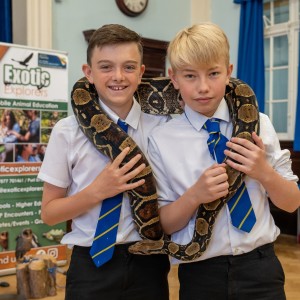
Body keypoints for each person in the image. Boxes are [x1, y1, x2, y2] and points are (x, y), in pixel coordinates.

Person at [147, 23, 300, 300]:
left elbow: (292, 202)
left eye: (214, 73)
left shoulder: (260, 124)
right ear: (174, 78)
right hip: (200, 276)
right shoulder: (161, 139)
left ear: (229, 73)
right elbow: (163, 225)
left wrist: (263, 172)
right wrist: (195, 195)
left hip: (262, 269)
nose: (203, 87)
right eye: (190, 76)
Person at [38, 24, 170, 300]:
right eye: (106, 67)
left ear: (142, 73)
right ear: (88, 73)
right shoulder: (66, 131)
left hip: (148, 261)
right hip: (89, 265)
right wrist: (98, 191)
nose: (118, 77)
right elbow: (49, 214)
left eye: (129, 67)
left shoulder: (164, 128)